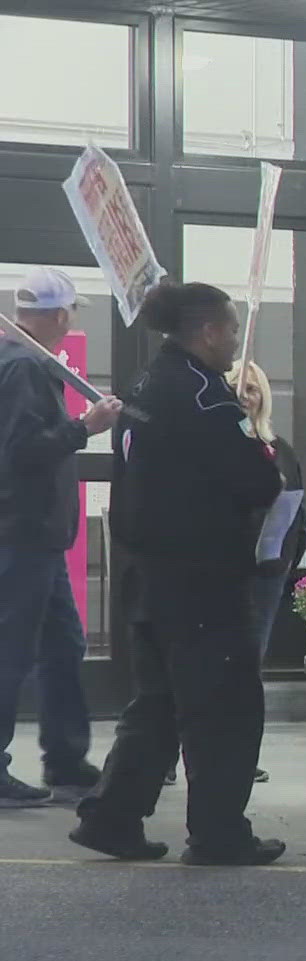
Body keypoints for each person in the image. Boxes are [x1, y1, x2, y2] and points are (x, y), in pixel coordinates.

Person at [74, 282, 285, 865]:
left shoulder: (144, 385)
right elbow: (258, 481)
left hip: (145, 573)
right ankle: (219, 832)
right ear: (208, 330)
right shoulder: (208, 400)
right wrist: (248, 432)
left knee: (159, 704)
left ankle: (112, 816)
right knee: (225, 707)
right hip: (202, 579)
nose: (237, 339)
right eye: (232, 328)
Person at [0, 267, 118, 806]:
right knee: (12, 652)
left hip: (34, 535)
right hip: (23, 533)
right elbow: (23, 450)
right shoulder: (24, 367)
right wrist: (84, 428)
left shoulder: (23, 362)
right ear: (58, 314)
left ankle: (67, 760)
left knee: (61, 645)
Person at [236, 361, 302, 786]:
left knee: (249, 666)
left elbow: (296, 507)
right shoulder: (220, 448)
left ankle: (242, 755)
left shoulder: (280, 449)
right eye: (237, 390)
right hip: (225, 569)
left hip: (267, 572)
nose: (245, 397)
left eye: (253, 390)